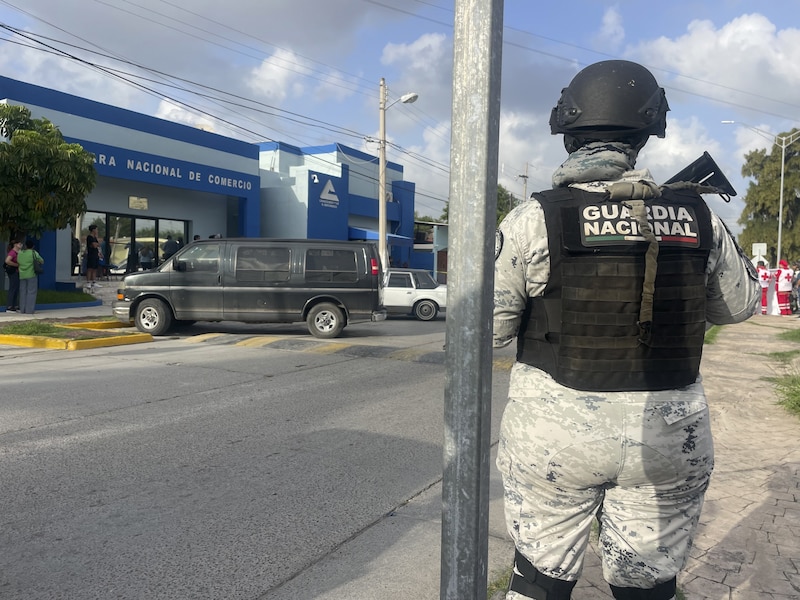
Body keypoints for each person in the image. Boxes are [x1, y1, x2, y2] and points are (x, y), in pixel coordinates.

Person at [493, 60, 760, 600]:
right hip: (667, 437)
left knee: (540, 580)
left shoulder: (532, 219)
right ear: (645, 133)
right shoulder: (701, 216)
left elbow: (488, 329)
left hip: (554, 442)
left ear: (568, 132)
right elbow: (739, 307)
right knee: (647, 587)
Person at [17, 239, 43, 314]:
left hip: (22, 275)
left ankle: (22, 309)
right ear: (32, 246)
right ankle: (29, 310)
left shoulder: (20, 253)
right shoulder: (33, 253)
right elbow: (41, 260)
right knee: (31, 292)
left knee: (22, 292)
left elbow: (18, 262)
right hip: (31, 274)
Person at [4, 239, 22, 311]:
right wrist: (16, 265)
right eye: (19, 244)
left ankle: (15, 305)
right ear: (15, 245)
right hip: (13, 271)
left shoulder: (18, 252)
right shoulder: (13, 252)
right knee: (13, 288)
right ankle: (10, 305)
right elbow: (7, 261)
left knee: (16, 288)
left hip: (17, 272)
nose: (21, 245)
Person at [85, 224, 101, 289]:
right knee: (90, 269)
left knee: (95, 269)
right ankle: (88, 282)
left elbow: (98, 245)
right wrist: (96, 244)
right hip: (91, 255)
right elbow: (94, 245)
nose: (97, 231)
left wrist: (96, 244)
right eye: (96, 229)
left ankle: (94, 282)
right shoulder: (89, 237)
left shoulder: (95, 238)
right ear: (93, 230)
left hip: (95, 255)